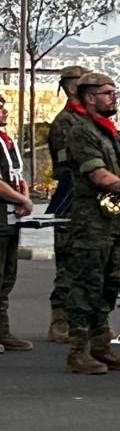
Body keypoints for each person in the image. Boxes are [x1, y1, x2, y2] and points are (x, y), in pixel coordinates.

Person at [60, 71, 120, 375]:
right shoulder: (82, 131)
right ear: (90, 97)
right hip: (90, 219)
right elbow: (98, 175)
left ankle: (101, 347)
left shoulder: (114, 134)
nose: (114, 97)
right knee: (85, 284)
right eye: (107, 93)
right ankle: (78, 351)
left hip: (113, 219)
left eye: (115, 92)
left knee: (110, 284)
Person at [44, 64, 89, 343]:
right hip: (70, 198)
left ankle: (78, 320)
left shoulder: (85, 119)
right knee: (67, 263)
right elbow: (67, 164)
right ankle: (59, 320)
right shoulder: (65, 122)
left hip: (85, 197)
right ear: (72, 87)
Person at [0, 95, 35, 352]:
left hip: (11, 217)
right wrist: (21, 199)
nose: (4, 111)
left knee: (6, 277)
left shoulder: (6, 140)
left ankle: (3, 331)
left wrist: (24, 199)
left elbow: (15, 175)